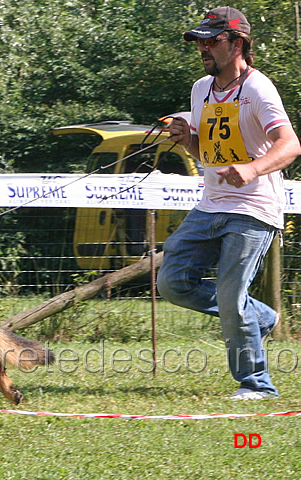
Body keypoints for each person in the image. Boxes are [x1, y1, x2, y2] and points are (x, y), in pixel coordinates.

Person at [157, 6, 301, 400]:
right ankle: (262, 317)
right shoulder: (201, 89)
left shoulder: (258, 88)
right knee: (172, 282)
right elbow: (210, 150)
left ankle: (257, 385)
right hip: (212, 204)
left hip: (253, 208)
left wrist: (253, 170)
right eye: (199, 41)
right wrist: (187, 138)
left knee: (230, 294)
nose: (203, 47)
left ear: (237, 43)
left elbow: (290, 145)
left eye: (211, 40)